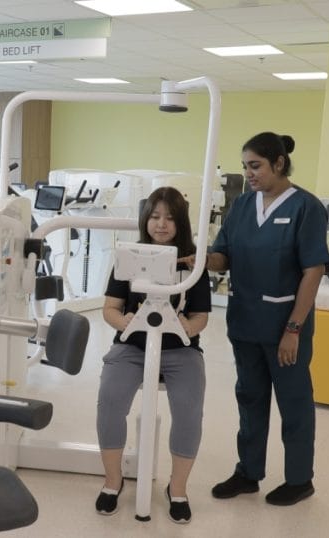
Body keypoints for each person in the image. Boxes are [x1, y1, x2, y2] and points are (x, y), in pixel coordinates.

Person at [204, 132, 329, 506]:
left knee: (294, 404)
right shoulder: (243, 205)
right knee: (250, 398)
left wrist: (293, 329)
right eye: (245, 166)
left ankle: (299, 480)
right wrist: (200, 259)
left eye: (255, 166)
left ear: (279, 163)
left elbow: (313, 271)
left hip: (284, 326)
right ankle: (248, 472)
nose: (249, 173)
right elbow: (223, 256)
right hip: (245, 322)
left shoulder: (306, 207)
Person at [94, 186, 211, 524]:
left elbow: (201, 317)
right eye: (156, 216)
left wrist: (186, 326)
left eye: (170, 218)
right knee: (110, 401)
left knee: (189, 412)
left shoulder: (194, 265)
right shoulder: (129, 257)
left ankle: (178, 489)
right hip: (132, 347)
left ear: (181, 223)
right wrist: (125, 321)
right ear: (146, 219)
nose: (161, 224)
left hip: (181, 350)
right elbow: (110, 309)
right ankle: (113, 482)